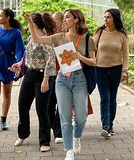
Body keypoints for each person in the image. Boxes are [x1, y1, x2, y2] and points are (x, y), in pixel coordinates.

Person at [25, 9, 96, 160]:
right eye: (63, 17)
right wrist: (31, 23)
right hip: (62, 79)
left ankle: (76, 137)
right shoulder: (59, 37)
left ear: (76, 19)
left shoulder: (88, 38)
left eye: (67, 17)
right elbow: (37, 39)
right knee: (64, 117)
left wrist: (80, 57)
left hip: (80, 79)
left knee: (81, 117)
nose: (64, 20)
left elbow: (95, 61)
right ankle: (69, 150)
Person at [9, 12, 56, 152]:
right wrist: (19, 64)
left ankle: (44, 141)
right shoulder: (31, 37)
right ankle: (22, 134)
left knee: (42, 110)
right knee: (22, 105)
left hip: (43, 76)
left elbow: (51, 60)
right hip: (29, 75)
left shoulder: (45, 38)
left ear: (34, 24)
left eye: (30, 23)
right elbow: (28, 57)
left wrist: (46, 80)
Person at [93, 8, 129, 138]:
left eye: (108, 17)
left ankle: (110, 124)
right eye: (104, 17)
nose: (105, 19)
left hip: (116, 69)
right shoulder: (99, 32)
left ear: (115, 18)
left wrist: (125, 70)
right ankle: (105, 126)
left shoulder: (121, 35)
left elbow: (125, 54)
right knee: (105, 97)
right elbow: (92, 49)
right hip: (100, 69)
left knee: (112, 97)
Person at [49, 11, 64, 144]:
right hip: (50, 74)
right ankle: (54, 126)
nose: (53, 23)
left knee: (61, 104)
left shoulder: (65, 37)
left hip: (63, 74)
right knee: (49, 104)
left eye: (55, 21)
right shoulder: (49, 37)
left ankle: (58, 132)